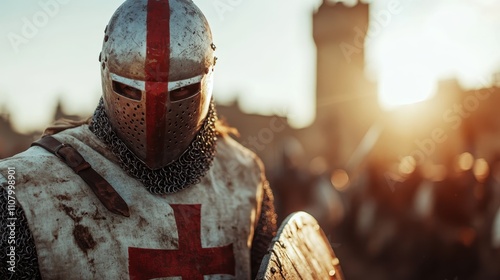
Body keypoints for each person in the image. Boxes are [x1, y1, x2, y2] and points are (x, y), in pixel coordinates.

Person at [0, 0, 277, 278]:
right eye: (130, 91)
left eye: (181, 93)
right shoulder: (24, 190)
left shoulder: (243, 175)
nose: (154, 119)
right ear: (108, 75)